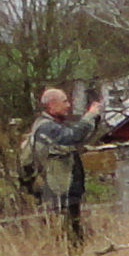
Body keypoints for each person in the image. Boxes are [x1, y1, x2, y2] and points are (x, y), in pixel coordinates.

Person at [23, 84, 105, 242]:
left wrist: (95, 118)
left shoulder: (55, 127)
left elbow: (81, 137)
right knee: (64, 239)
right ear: (52, 105)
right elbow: (73, 136)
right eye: (65, 101)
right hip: (57, 195)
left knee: (74, 239)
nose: (69, 105)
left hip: (67, 194)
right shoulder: (46, 128)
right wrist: (89, 115)